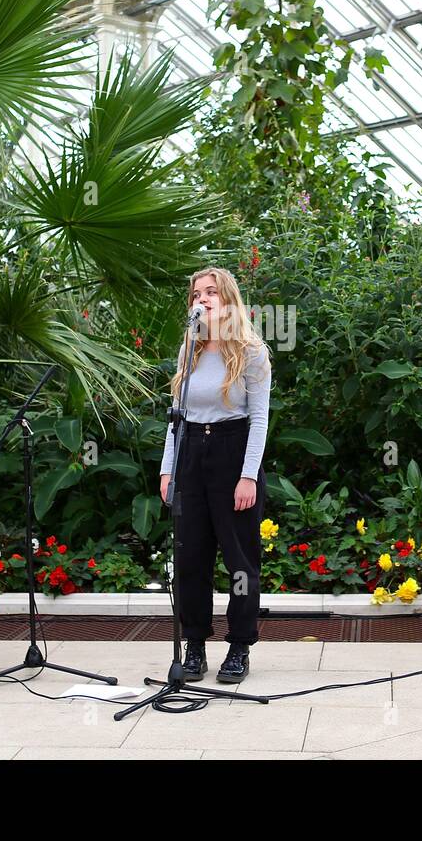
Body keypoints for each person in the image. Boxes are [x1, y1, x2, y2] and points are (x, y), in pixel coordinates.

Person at [159, 266, 272, 684]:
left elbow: (259, 421)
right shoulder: (189, 349)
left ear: (228, 300)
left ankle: (239, 645)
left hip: (232, 450)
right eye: (195, 294)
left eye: (210, 293)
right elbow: (177, 415)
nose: (201, 300)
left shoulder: (251, 352)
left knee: (240, 560)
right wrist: (168, 468)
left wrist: (247, 476)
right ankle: (194, 645)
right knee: (190, 558)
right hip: (190, 453)